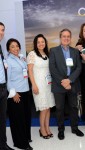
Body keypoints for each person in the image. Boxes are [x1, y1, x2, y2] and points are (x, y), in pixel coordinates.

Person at [49, 28, 84, 140]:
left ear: (70, 38)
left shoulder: (74, 51)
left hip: (72, 84)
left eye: (68, 36)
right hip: (59, 85)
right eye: (64, 36)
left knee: (74, 107)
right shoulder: (53, 50)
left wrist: (70, 80)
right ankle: (61, 130)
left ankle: (74, 128)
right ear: (60, 38)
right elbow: (52, 68)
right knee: (59, 108)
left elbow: (79, 67)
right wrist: (63, 81)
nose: (66, 38)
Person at [27, 34, 55, 139]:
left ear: (45, 43)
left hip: (48, 85)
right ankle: (41, 129)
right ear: (35, 43)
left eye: (42, 41)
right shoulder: (32, 54)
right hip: (38, 85)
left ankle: (47, 128)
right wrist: (33, 85)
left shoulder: (47, 54)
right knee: (43, 107)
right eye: (38, 42)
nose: (41, 44)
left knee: (48, 108)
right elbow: (30, 70)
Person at [6, 38, 32, 150]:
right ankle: (21, 143)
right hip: (16, 94)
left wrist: (24, 61)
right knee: (18, 120)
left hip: (26, 91)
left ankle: (26, 138)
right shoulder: (8, 61)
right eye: (12, 46)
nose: (15, 48)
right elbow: (7, 79)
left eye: (17, 46)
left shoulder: (21, 59)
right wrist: (13, 92)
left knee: (26, 117)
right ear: (8, 49)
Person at [0, 22, 14, 150]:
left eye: (3, 30)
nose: (1, 32)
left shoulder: (1, 48)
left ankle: (2, 145)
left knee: (3, 119)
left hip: (3, 89)